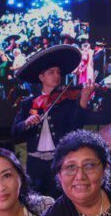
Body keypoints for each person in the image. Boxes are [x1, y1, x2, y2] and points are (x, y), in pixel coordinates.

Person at [11, 45, 95, 198]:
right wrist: (26, 123)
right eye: (51, 72)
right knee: (35, 202)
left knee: (59, 203)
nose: (57, 75)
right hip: (35, 164)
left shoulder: (67, 101)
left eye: (58, 72)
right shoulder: (28, 104)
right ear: (41, 77)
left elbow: (76, 127)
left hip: (58, 162)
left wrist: (83, 100)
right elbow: (15, 134)